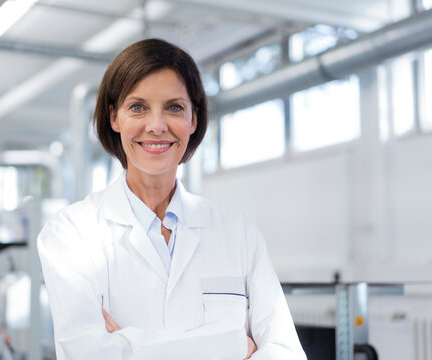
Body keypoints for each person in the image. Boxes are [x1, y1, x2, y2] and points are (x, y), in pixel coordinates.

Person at [37, 38, 306, 360]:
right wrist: (232, 346)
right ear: (114, 117)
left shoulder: (238, 233)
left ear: (193, 119)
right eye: (138, 107)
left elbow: (286, 353)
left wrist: (127, 345)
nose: (156, 126)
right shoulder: (71, 233)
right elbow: (88, 353)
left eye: (174, 108)